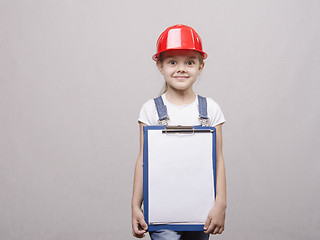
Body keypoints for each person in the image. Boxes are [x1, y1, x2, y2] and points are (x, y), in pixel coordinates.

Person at [131, 24, 227, 240]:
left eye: (190, 62)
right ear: (160, 66)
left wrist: (221, 203)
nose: (181, 68)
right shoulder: (150, 110)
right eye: (172, 62)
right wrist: (135, 205)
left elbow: (218, 160)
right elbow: (142, 160)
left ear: (201, 66)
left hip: (201, 213)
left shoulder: (211, 109)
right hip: (161, 212)